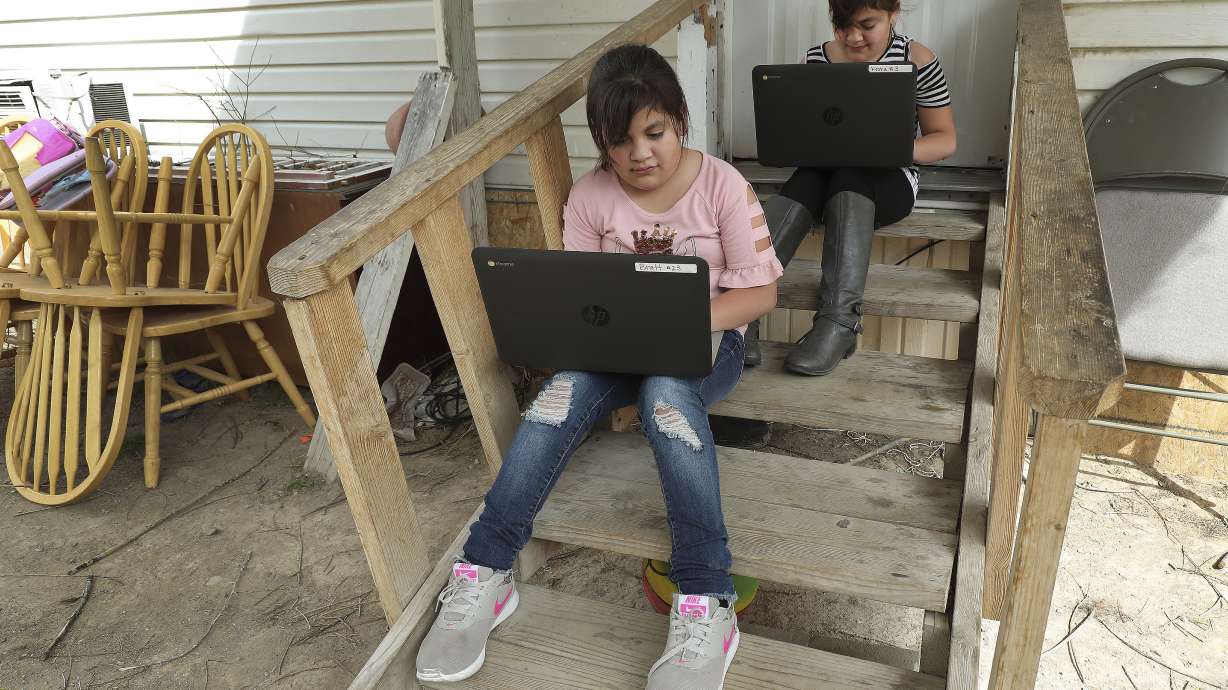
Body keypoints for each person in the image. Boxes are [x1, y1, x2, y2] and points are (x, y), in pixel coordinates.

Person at [414, 43, 782, 689]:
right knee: (557, 396)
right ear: (602, 144)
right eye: (621, 140)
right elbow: (581, 294)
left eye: (655, 132)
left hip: (705, 344)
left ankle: (706, 598)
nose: (641, 153)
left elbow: (760, 295)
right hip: (612, 349)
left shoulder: (724, 185)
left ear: (680, 120)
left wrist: (682, 323)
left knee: (667, 396)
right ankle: (485, 571)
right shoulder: (589, 197)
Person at [744, 0, 957, 376]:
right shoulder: (817, 58)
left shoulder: (917, 58)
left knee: (850, 175)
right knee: (809, 178)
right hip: (824, 177)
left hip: (888, 180)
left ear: (893, 14)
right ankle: (744, 310)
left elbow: (944, 140)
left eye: (866, 24)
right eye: (843, 26)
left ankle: (839, 323)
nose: (853, 36)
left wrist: (890, 150)